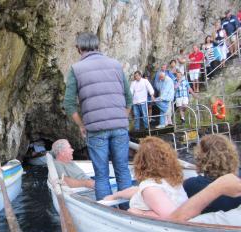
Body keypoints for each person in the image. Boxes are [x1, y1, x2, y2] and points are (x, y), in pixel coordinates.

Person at [63, 32, 132, 199]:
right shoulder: (115, 65)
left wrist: (81, 125)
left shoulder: (76, 69)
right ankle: (128, 210)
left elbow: (68, 104)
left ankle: (107, 211)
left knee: (101, 175)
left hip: (96, 129)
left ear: (79, 48)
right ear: (97, 46)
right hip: (120, 128)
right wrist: (122, 120)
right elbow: (129, 99)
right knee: (122, 169)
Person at [101, 137, 188, 219]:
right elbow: (136, 190)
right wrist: (115, 195)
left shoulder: (151, 189)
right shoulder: (171, 178)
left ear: (140, 161)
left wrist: (140, 213)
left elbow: (172, 217)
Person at [183, 135, 241, 213]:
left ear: (200, 157)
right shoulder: (238, 179)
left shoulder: (190, 185)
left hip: (206, 223)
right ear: (232, 154)